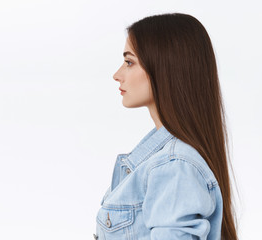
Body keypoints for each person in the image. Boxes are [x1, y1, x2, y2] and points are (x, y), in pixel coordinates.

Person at [94, 13, 239, 240]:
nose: (117, 75)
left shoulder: (173, 165)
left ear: (164, 68)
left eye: (129, 62)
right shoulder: (163, 160)